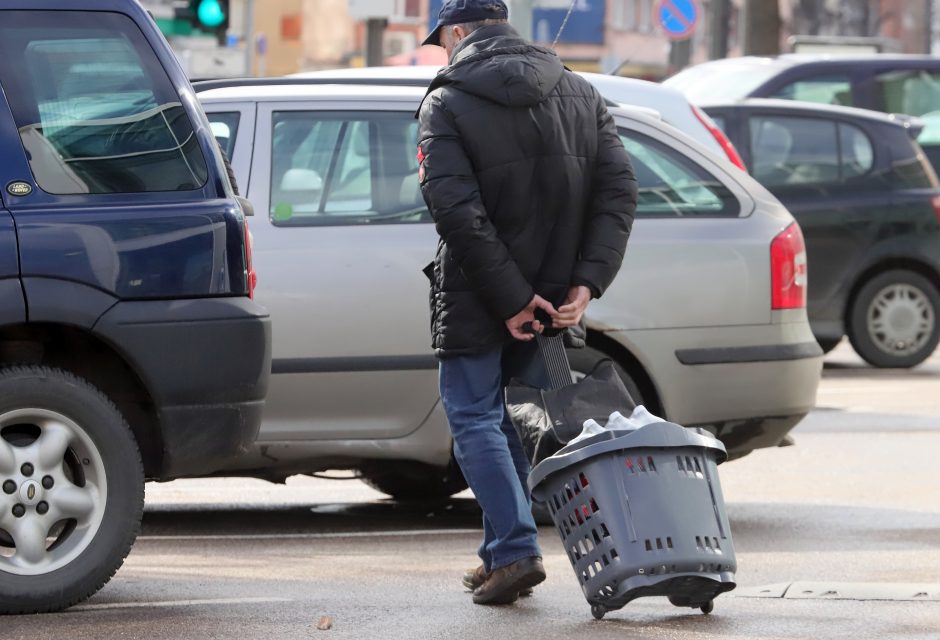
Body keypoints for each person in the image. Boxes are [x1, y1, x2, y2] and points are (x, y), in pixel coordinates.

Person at [416, 0, 638, 606]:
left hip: (480, 294)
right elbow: (618, 195)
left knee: (472, 414)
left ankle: (513, 550)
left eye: (442, 39)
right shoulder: (580, 93)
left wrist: (513, 297)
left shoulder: (446, 101)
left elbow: (456, 211)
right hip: (553, 296)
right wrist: (584, 285)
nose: (443, 50)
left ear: (458, 30)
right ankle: (500, 556)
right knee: (500, 420)